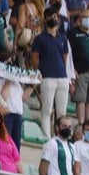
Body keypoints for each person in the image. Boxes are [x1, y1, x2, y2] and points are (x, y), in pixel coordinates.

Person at [33, 8, 70, 138]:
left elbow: (64, 58)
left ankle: (59, 136)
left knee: (61, 112)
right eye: (50, 16)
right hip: (47, 77)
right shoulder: (39, 38)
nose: (53, 19)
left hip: (62, 77)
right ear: (45, 19)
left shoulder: (63, 39)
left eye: (55, 16)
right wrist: (38, 74)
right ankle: (46, 137)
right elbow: (34, 59)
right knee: (47, 110)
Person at [68, 8, 89, 124]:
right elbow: (69, 53)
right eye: (86, 17)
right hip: (81, 71)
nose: (88, 20)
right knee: (80, 99)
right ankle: (81, 123)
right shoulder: (73, 33)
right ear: (80, 20)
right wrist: (73, 71)